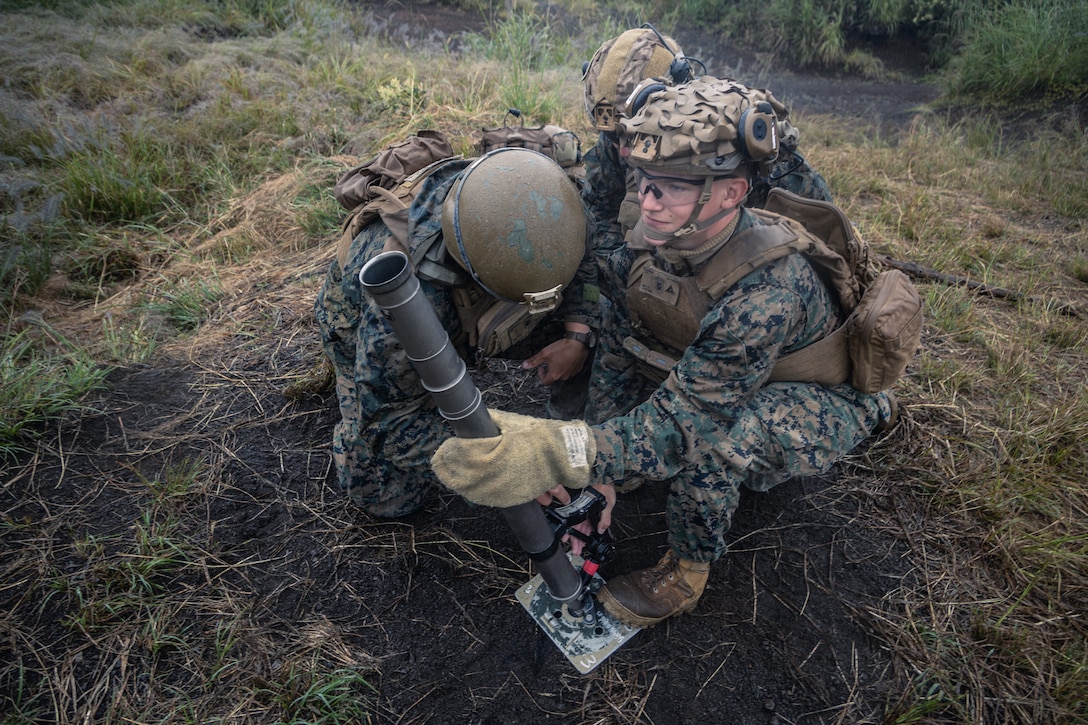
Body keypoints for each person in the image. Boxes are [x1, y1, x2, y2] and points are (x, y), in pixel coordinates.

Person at [431, 76, 896, 628]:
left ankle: (687, 571)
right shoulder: (663, 239)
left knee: (722, 443)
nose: (648, 203)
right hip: (727, 371)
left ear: (730, 193)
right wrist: (601, 474)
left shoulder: (766, 292)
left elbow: (687, 426)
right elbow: (623, 345)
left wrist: (565, 450)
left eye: (672, 188)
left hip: (814, 391)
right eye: (643, 182)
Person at [315, 146, 598, 517]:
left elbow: (588, 259)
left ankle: (567, 430)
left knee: (597, 334)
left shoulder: (551, 203)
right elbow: (388, 422)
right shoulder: (405, 298)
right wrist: (502, 463)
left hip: (481, 298)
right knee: (388, 497)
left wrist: (576, 336)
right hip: (363, 328)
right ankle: (350, 410)